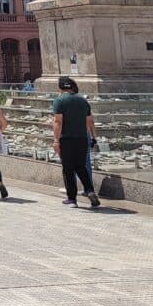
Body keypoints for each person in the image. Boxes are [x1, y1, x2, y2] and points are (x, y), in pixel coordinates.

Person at [52, 76, 100, 208]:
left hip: (66, 138)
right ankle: (90, 191)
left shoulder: (59, 101)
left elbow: (58, 122)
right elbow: (90, 120)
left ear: (60, 87)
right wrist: (94, 137)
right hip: (82, 138)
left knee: (68, 169)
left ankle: (72, 199)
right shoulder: (83, 100)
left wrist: (56, 141)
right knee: (81, 167)